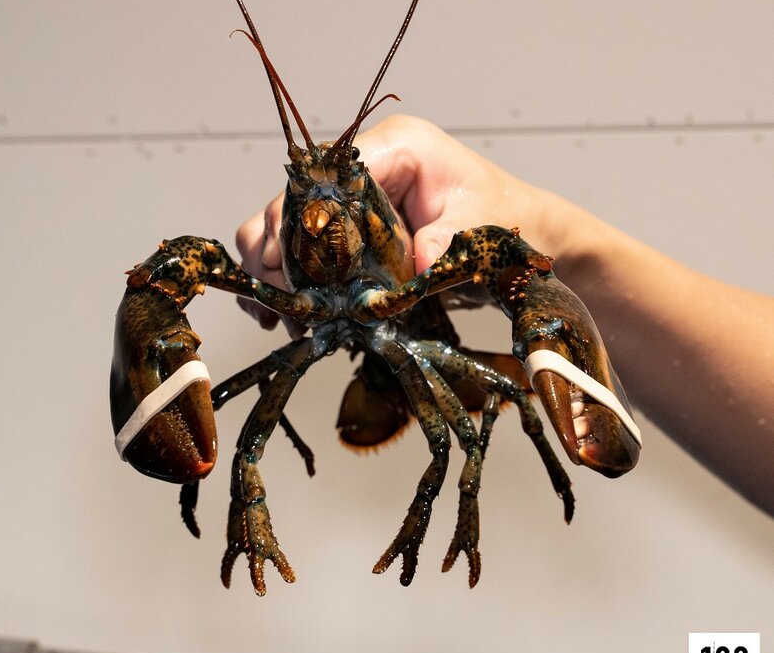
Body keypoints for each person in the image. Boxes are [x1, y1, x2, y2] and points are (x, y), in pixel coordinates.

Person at [235, 114, 774, 518]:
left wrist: (551, 236)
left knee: (468, 429)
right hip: (341, 329)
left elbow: (494, 253)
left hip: (419, 340)